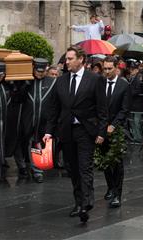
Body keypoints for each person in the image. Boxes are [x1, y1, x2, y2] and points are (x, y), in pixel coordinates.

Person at [43, 46, 108, 223]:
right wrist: (49, 132)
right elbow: (53, 109)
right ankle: (78, 202)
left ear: (81, 59)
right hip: (66, 131)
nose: (67, 61)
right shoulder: (61, 81)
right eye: (66, 59)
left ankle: (86, 203)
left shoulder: (94, 80)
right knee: (72, 168)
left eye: (70, 58)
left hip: (86, 131)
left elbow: (102, 109)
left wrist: (102, 131)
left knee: (84, 167)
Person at [20, 58, 57, 183]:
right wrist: (25, 84)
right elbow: (18, 98)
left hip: (44, 121)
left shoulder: (52, 82)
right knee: (26, 143)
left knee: (38, 143)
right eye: (37, 71)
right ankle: (27, 166)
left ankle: (37, 170)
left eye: (42, 71)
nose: (39, 74)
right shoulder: (27, 82)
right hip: (28, 120)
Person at [101, 56, 130, 208]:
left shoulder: (123, 85)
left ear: (116, 68)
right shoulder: (99, 83)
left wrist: (113, 125)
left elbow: (125, 109)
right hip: (102, 128)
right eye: (104, 69)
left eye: (109, 69)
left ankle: (117, 193)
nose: (106, 71)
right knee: (105, 161)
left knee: (117, 163)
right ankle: (110, 187)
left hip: (117, 129)